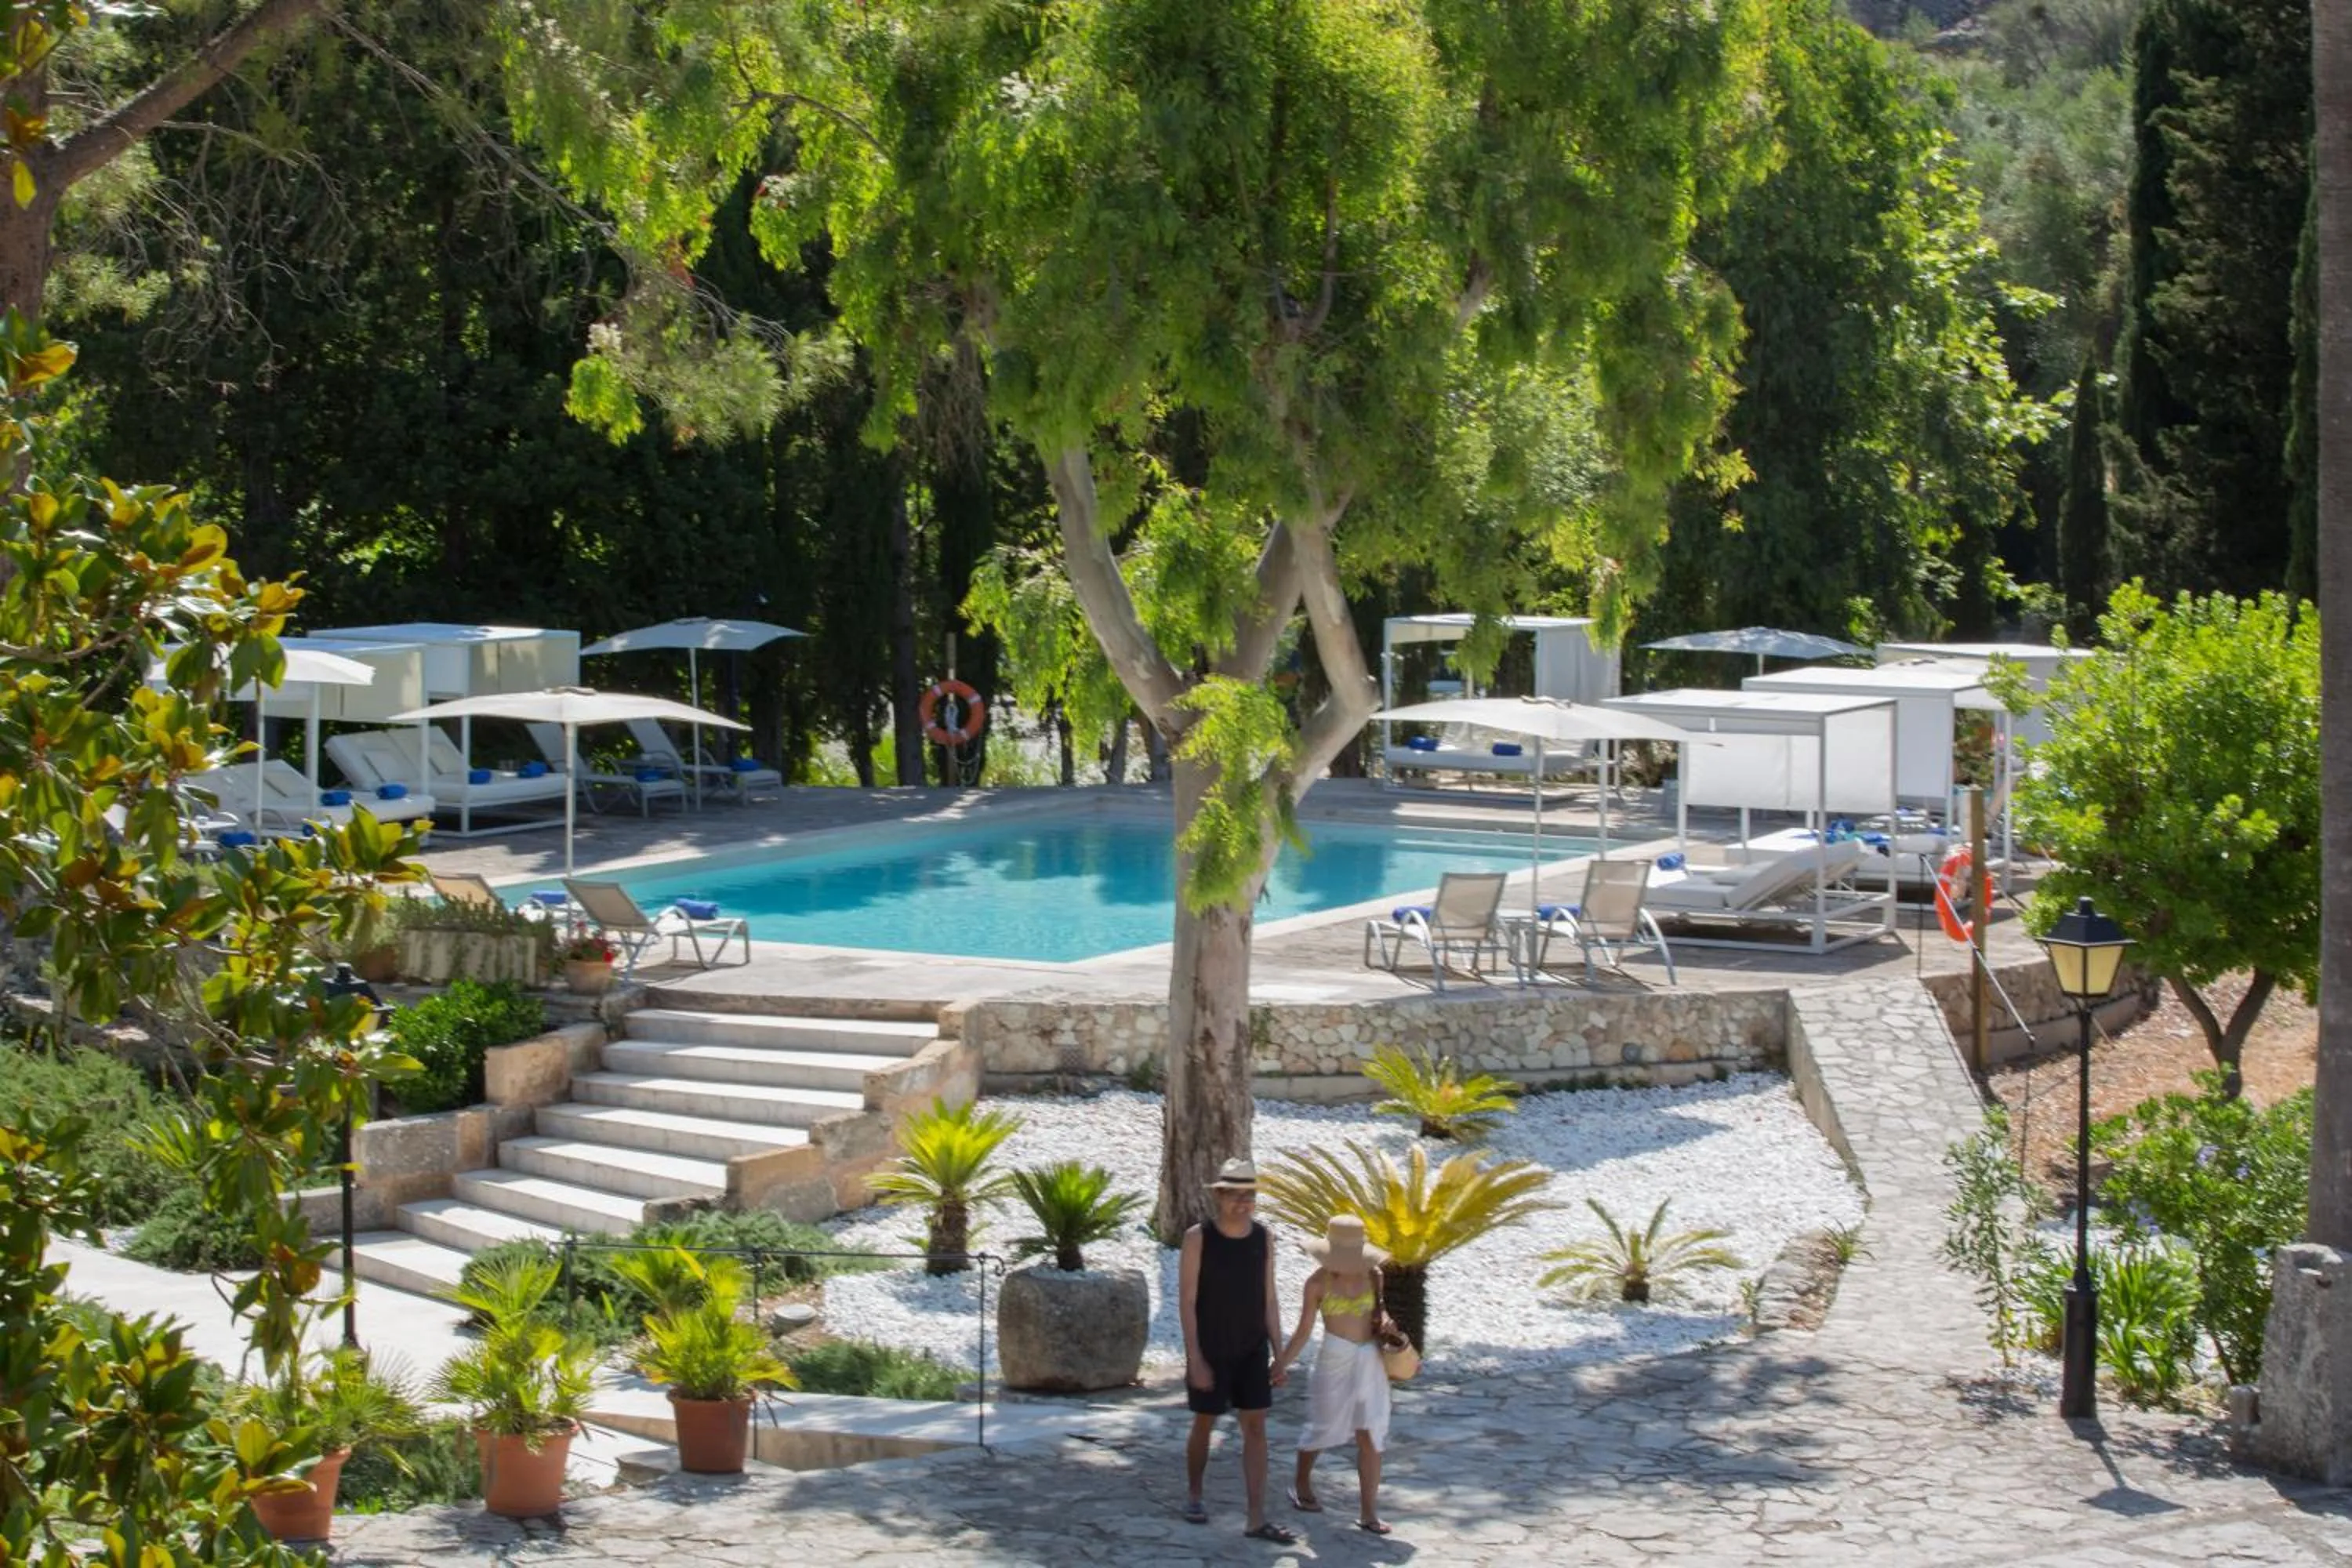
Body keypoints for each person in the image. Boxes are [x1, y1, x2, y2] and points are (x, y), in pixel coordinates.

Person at [1178, 1156, 1296, 1545]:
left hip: (1251, 1347)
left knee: (1256, 1426)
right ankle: (1194, 1493)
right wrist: (1195, 1358)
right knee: (1205, 1421)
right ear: (1220, 1196)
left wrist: (1280, 1354)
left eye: (1250, 1195)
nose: (1243, 1202)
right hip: (1211, 1346)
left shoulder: (1263, 1237)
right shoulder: (1198, 1238)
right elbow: (1187, 1300)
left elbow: (1270, 1298)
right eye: (1235, 1195)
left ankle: (1256, 1516)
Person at [1272, 1214, 1395, 1535]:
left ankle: (1369, 1513)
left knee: (1370, 1433)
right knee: (1323, 1426)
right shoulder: (1317, 1283)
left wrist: (1387, 1324)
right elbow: (1303, 1331)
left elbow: (1381, 1311)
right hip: (1334, 1358)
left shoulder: (1375, 1276)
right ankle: (1301, 1483)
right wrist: (1280, 1363)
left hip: (1369, 1359)